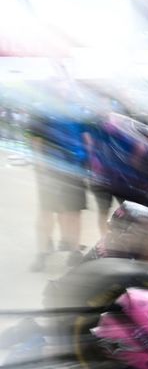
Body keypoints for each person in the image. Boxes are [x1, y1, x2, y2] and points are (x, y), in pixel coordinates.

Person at [28, 111, 89, 271]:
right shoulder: (41, 108)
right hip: (51, 171)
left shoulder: (78, 109)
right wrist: (41, 168)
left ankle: (74, 252)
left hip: (75, 171)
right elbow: (36, 141)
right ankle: (41, 254)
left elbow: (85, 138)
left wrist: (87, 164)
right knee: (46, 212)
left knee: (74, 213)